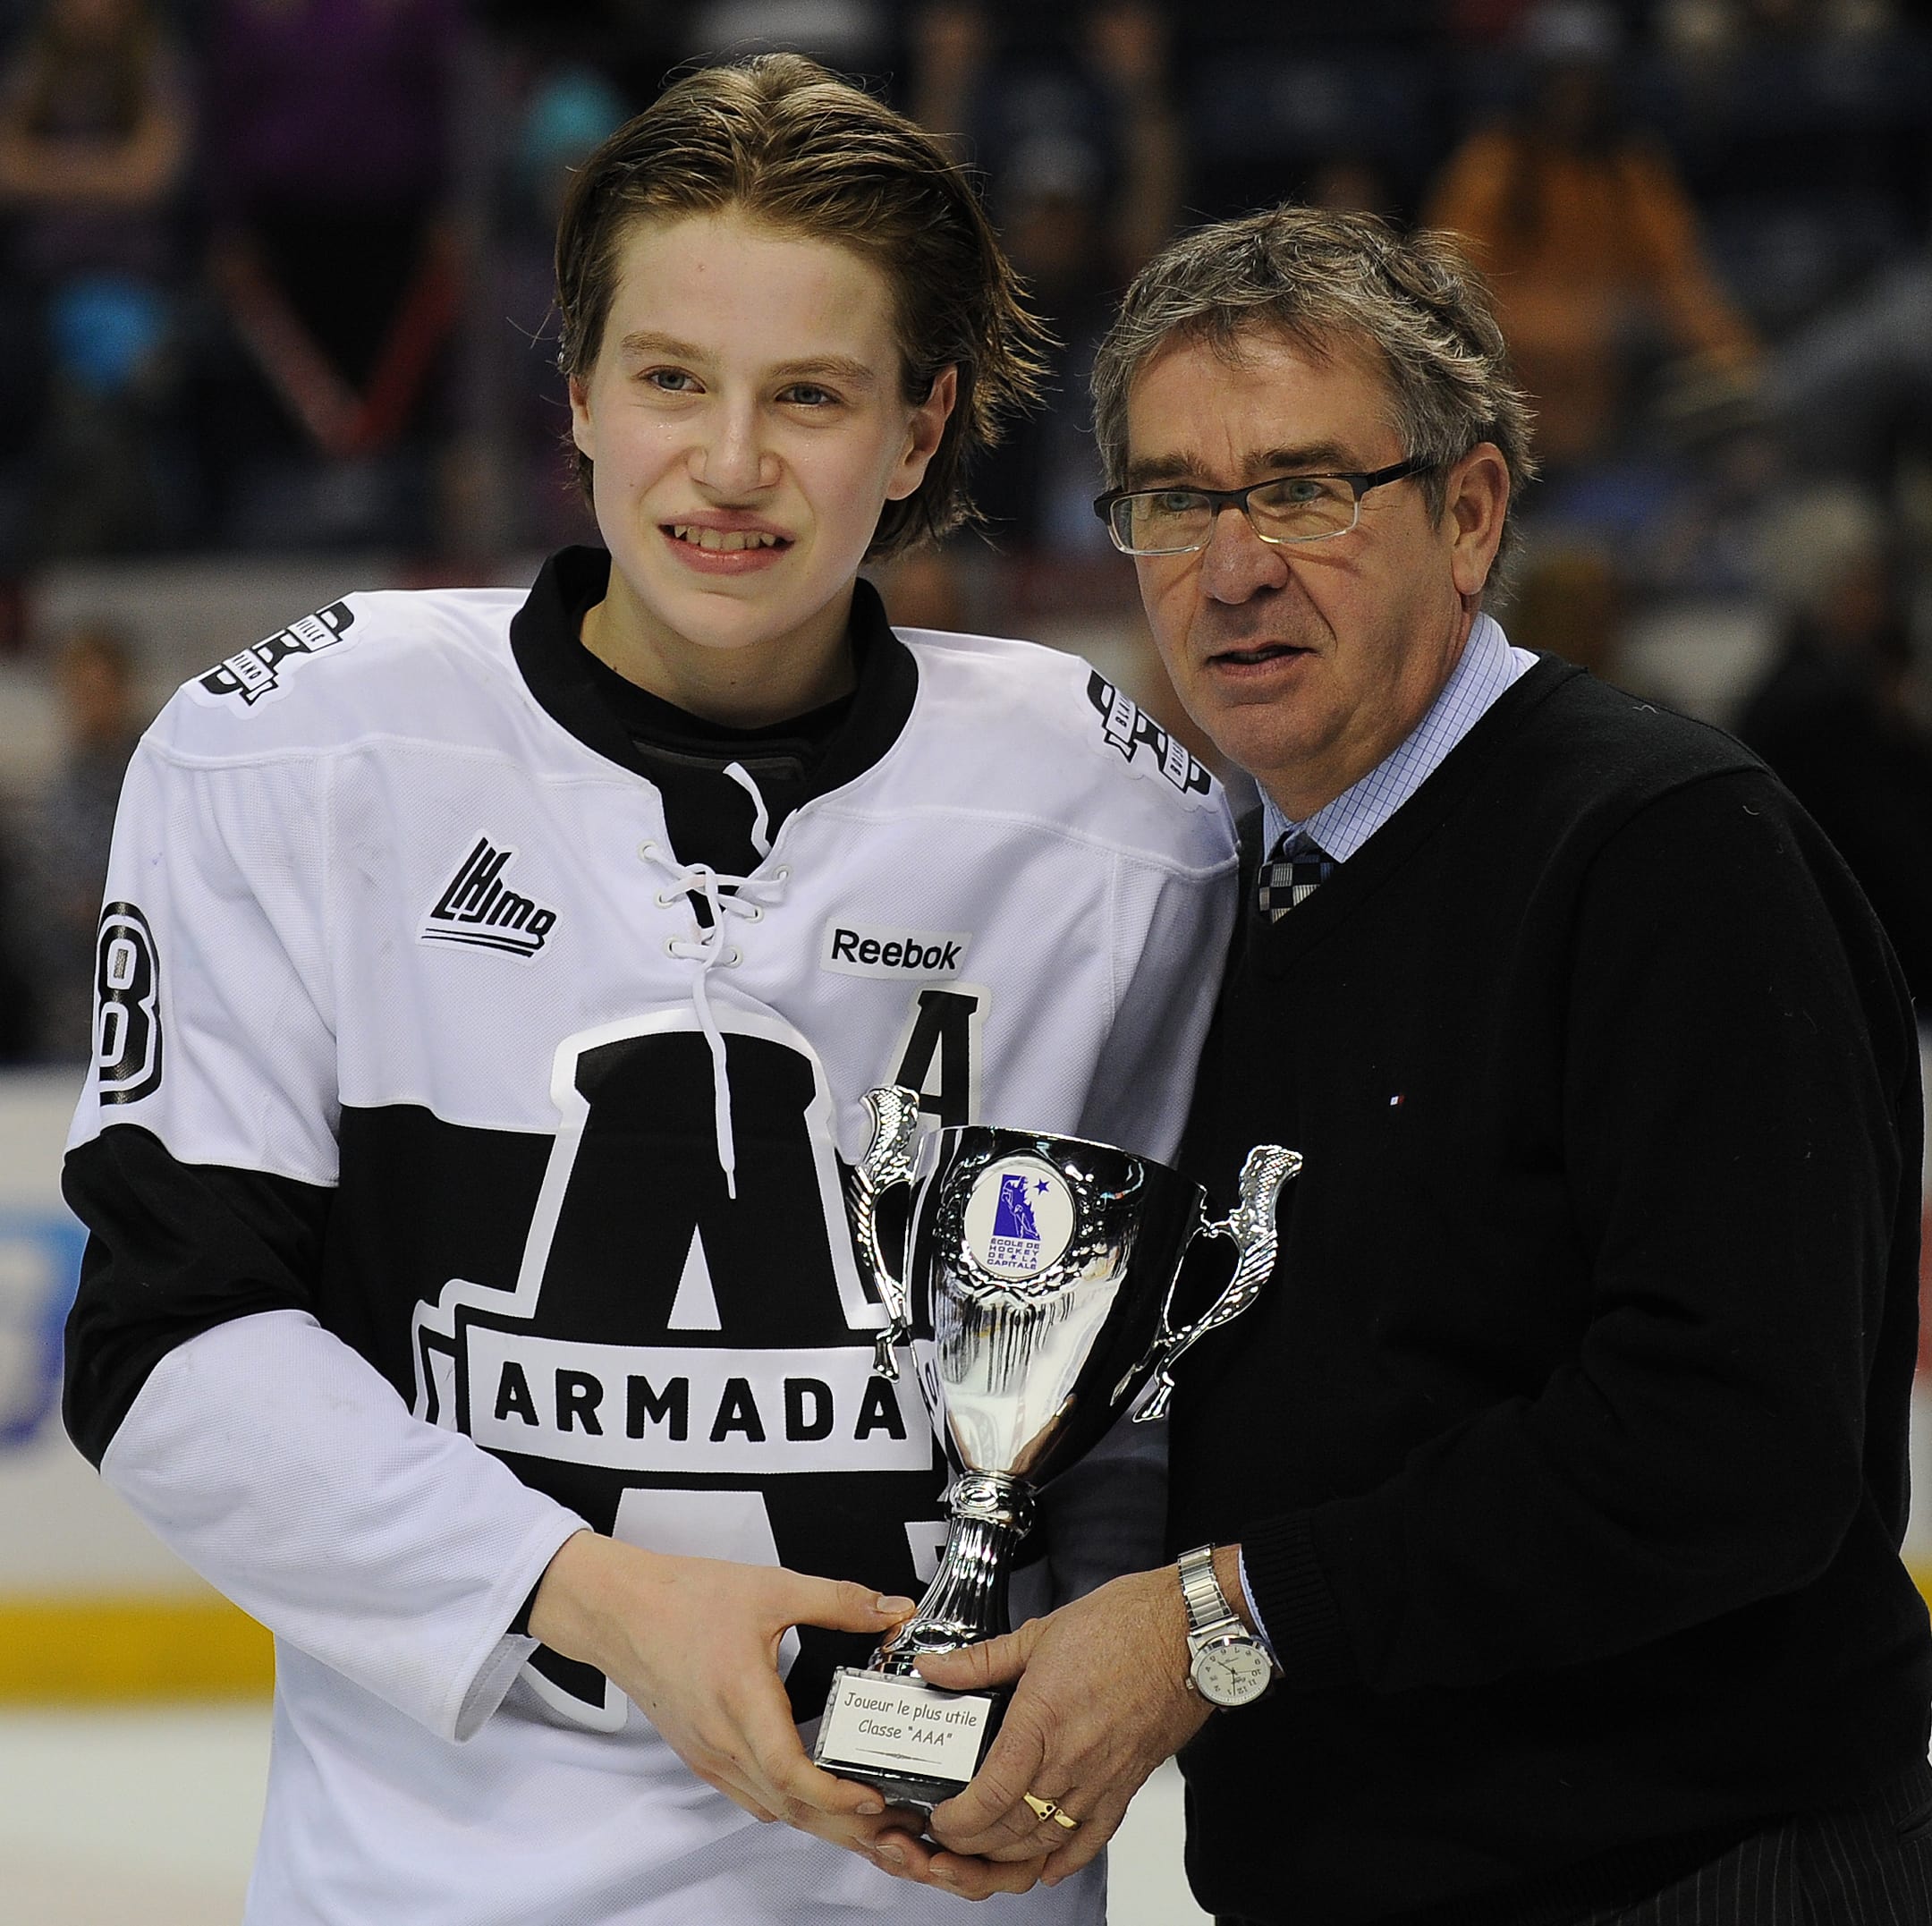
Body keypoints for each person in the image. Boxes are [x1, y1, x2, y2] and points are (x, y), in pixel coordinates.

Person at [58, 55, 1237, 1924]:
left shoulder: (1118, 824)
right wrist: (607, 1600)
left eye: (814, 397)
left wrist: (1094, 1659)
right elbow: (165, 1350)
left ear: (923, 430)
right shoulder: (294, 752)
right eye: (674, 379)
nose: (734, 464)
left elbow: (1138, 1397)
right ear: (581, 396)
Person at [914, 203, 1932, 1922]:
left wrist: (1221, 1616)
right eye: (1175, 499)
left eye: (1306, 488)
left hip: (1689, 1878)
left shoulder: (1669, 851)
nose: (1233, 567)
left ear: (1469, 515)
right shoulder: (1218, 895)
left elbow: (1734, 1445)